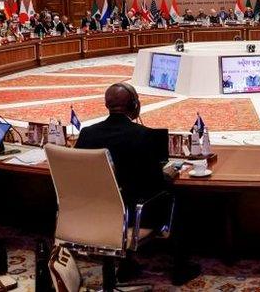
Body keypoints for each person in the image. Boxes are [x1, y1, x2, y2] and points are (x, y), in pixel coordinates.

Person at [74, 83, 200, 285]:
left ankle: (127, 264)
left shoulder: (88, 134)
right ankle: (180, 268)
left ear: (106, 104)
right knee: (177, 196)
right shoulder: (145, 136)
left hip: (93, 213)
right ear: (135, 105)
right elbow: (155, 183)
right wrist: (169, 174)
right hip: (135, 216)